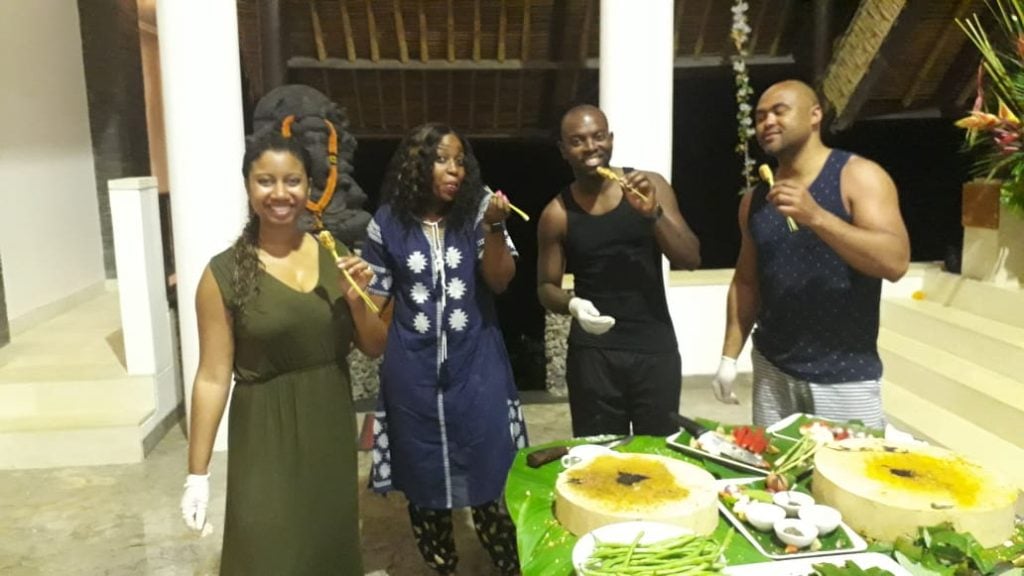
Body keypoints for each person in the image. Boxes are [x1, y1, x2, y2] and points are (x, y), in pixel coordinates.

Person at [179, 131, 380, 575]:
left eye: (292, 181)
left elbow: (373, 343)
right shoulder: (224, 273)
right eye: (265, 181)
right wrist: (198, 474)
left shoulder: (336, 252)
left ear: (308, 187)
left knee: (326, 547)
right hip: (263, 435)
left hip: (328, 423)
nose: (280, 193)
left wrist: (355, 299)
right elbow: (212, 377)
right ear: (248, 187)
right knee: (268, 550)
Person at [360, 123, 527, 576]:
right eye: (441, 159)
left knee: (491, 472)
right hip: (411, 373)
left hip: (478, 367)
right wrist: (352, 291)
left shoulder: (476, 211)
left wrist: (494, 226)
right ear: (417, 165)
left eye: (459, 160)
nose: (454, 169)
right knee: (424, 478)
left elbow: (500, 279)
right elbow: (374, 301)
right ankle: (442, 566)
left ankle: (508, 566)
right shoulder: (387, 223)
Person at [712, 80, 910, 429]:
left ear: (814, 115)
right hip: (773, 368)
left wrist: (816, 216)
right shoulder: (755, 200)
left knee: (846, 478)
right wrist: (729, 357)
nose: (767, 122)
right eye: (759, 117)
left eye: (779, 111)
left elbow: (894, 262)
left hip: (844, 374)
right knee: (775, 475)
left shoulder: (857, 176)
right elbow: (746, 281)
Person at [537, 104, 701, 437]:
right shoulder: (557, 213)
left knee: (659, 458)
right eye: (578, 140)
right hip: (593, 356)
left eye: (598, 136)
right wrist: (573, 305)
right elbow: (544, 287)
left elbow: (690, 258)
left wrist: (653, 214)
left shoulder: (649, 185)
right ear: (563, 150)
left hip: (654, 348)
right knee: (599, 458)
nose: (591, 147)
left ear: (610, 139)